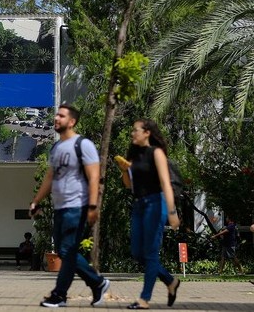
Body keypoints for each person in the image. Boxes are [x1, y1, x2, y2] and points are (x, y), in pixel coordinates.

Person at [29, 103, 110, 308]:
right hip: (60, 207)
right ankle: (97, 282)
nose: (56, 119)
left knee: (66, 249)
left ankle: (59, 294)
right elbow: (49, 177)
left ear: (71, 121)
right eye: (56, 115)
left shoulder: (83, 145)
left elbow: (93, 177)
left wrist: (92, 206)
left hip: (78, 205)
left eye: (61, 116)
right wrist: (36, 201)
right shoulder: (56, 147)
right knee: (65, 252)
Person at [117, 119, 181, 309]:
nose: (132, 133)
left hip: (156, 203)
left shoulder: (157, 153)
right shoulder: (134, 155)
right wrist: (124, 171)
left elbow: (165, 183)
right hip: (139, 205)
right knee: (138, 253)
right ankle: (170, 281)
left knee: (151, 253)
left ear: (147, 133)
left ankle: (144, 299)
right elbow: (129, 185)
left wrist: (172, 211)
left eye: (135, 130)